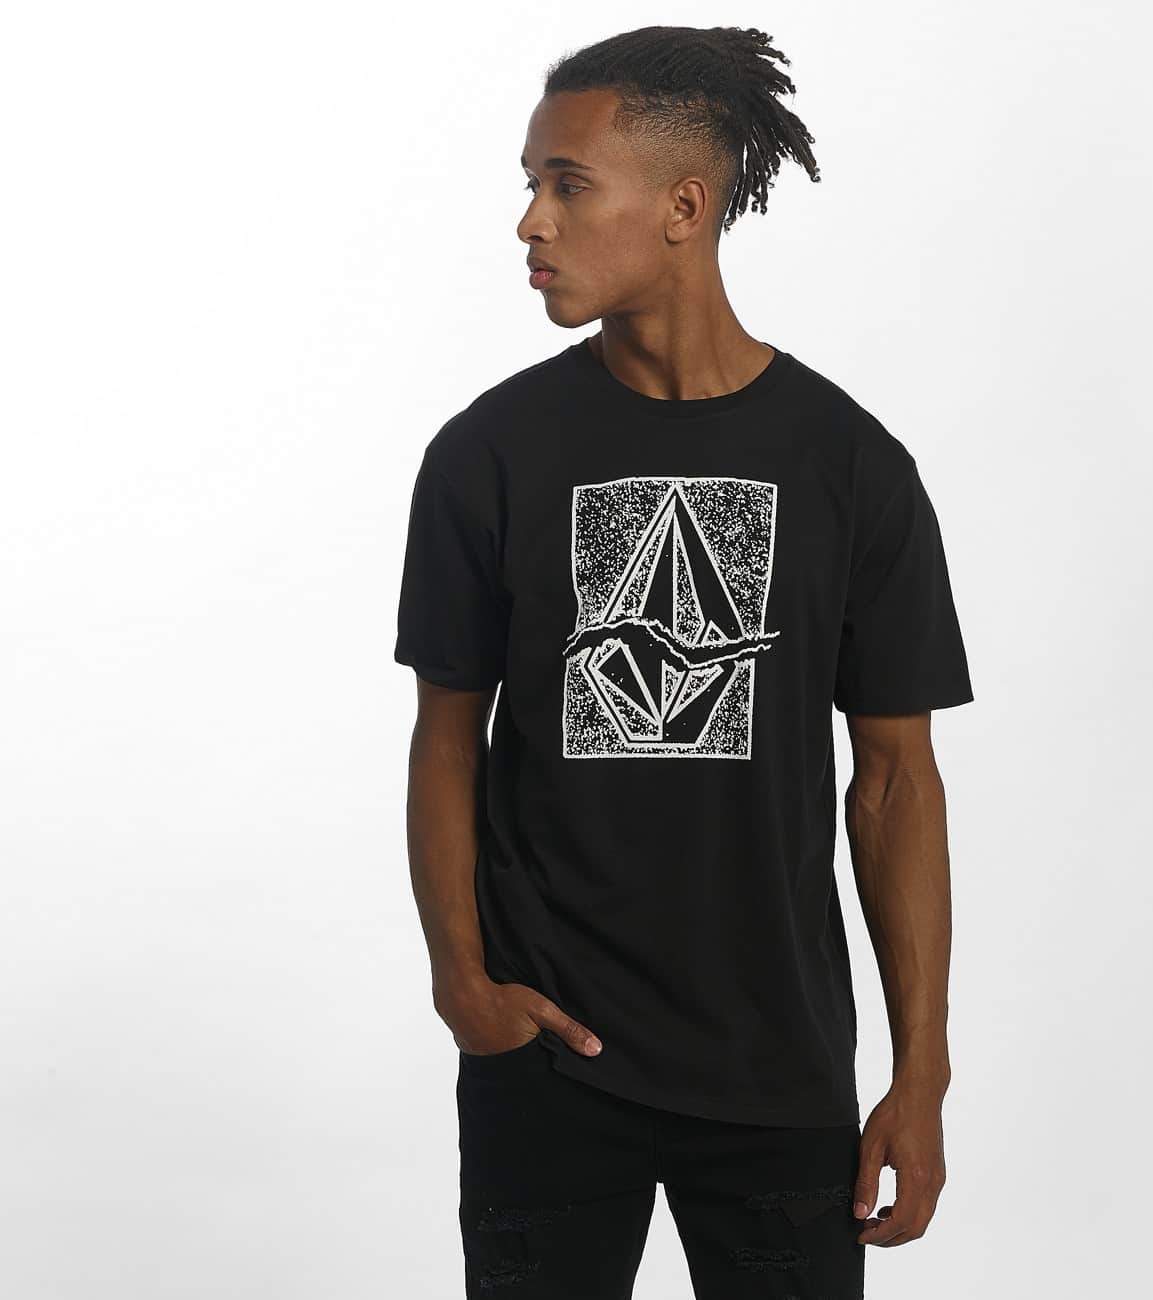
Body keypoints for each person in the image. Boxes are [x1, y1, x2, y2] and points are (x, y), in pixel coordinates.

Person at [394, 24, 974, 1299]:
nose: (530, 221)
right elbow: (447, 737)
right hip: (546, 1061)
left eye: (566, 184)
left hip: (778, 1068)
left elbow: (895, 783)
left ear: (683, 207)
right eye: (532, 183)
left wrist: (920, 1071)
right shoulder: (486, 455)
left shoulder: (851, 466)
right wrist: (463, 986)